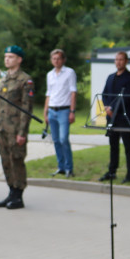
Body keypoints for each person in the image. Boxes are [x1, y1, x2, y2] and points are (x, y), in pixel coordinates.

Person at [0, 45, 35, 209]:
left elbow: (26, 108)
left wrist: (22, 132)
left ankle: (18, 195)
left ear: (19, 59)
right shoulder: (3, 80)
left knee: (16, 160)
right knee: (5, 161)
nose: (7, 59)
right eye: (6, 56)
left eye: (10, 57)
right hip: (3, 128)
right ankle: (11, 191)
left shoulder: (25, 80)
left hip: (15, 129)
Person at [99, 51, 130, 183]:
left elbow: (127, 97)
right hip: (111, 117)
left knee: (128, 146)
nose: (118, 62)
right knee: (113, 145)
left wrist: (113, 109)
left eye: (121, 60)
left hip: (124, 116)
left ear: (126, 61)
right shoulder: (110, 77)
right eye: (116, 59)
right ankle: (112, 171)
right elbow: (105, 94)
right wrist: (106, 107)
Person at [44, 48, 78, 177]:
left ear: (63, 59)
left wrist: (72, 111)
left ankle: (69, 167)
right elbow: (49, 93)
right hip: (52, 109)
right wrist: (45, 110)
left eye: (58, 58)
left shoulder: (69, 72)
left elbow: (73, 92)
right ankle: (61, 166)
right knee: (56, 140)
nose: (56, 61)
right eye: (54, 58)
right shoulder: (50, 74)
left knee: (64, 139)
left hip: (64, 110)